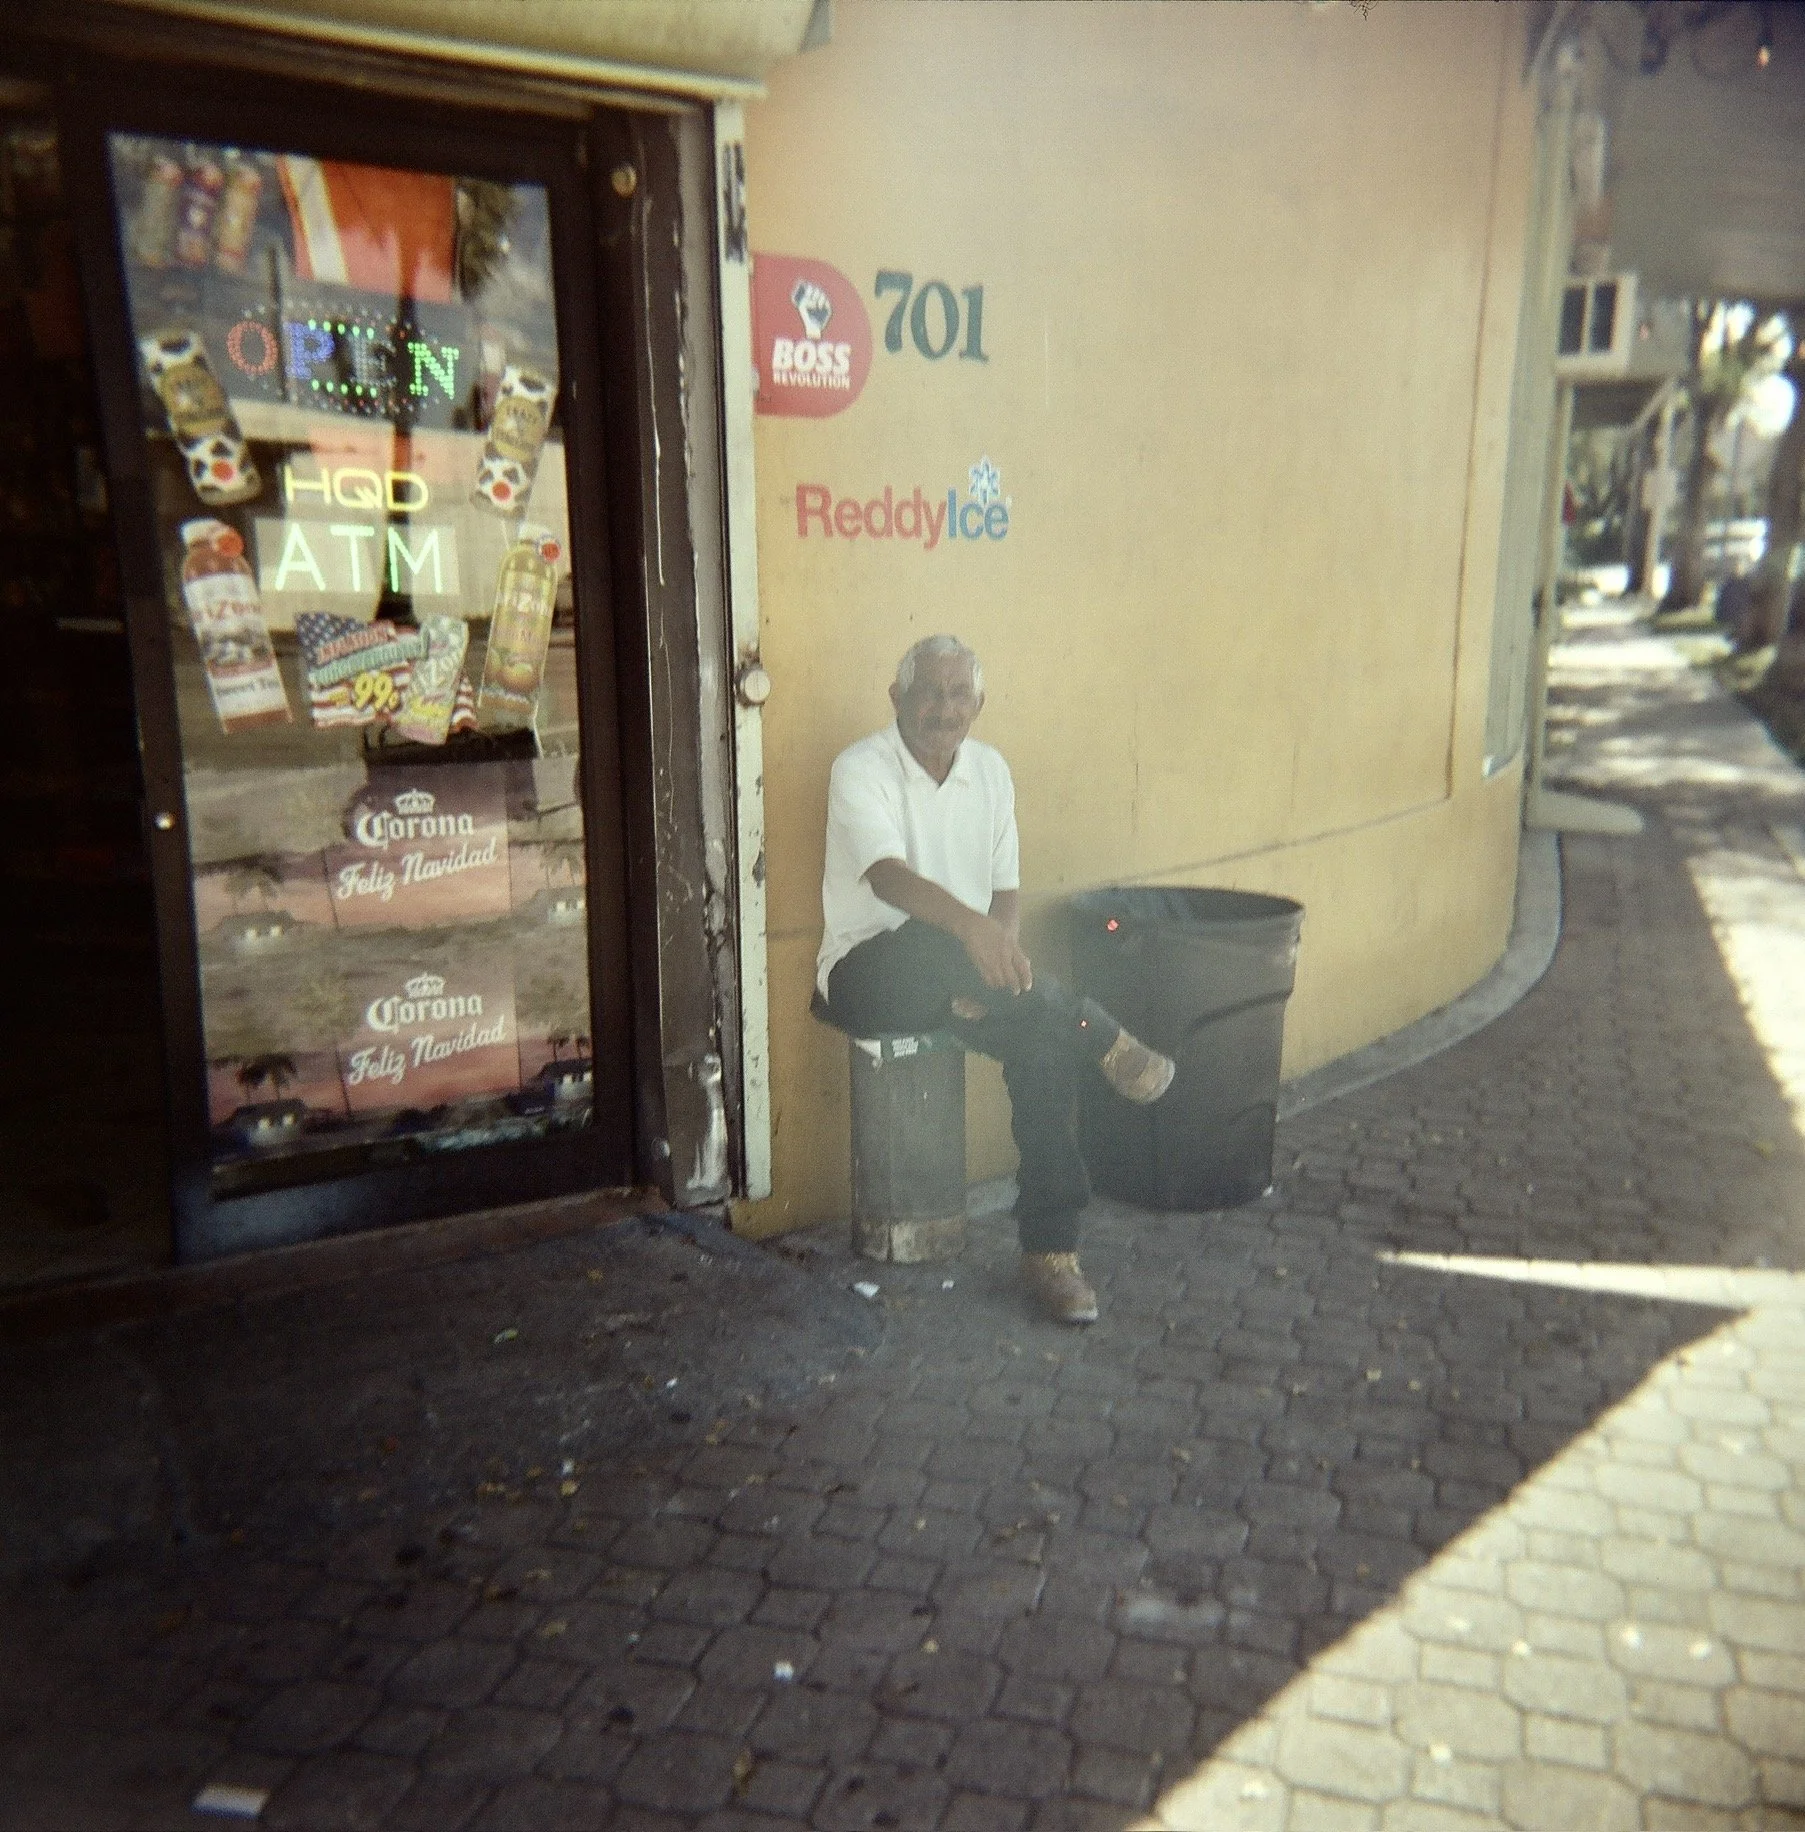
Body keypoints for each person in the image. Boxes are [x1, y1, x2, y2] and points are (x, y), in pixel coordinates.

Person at [816, 634, 1175, 1324]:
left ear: (978, 703)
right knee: (932, 939)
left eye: (957, 694)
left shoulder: (991, 770)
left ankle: (1051, 1252)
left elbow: (1004, 891)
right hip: (869, 970)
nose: (942, 708)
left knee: (1042, 1046)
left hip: (968, 973)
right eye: (927, 691)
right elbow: (887, 877)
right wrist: (974, 934)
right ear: (897, 698)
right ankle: (1101, 1032)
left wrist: (994, 952)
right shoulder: (859, 767)